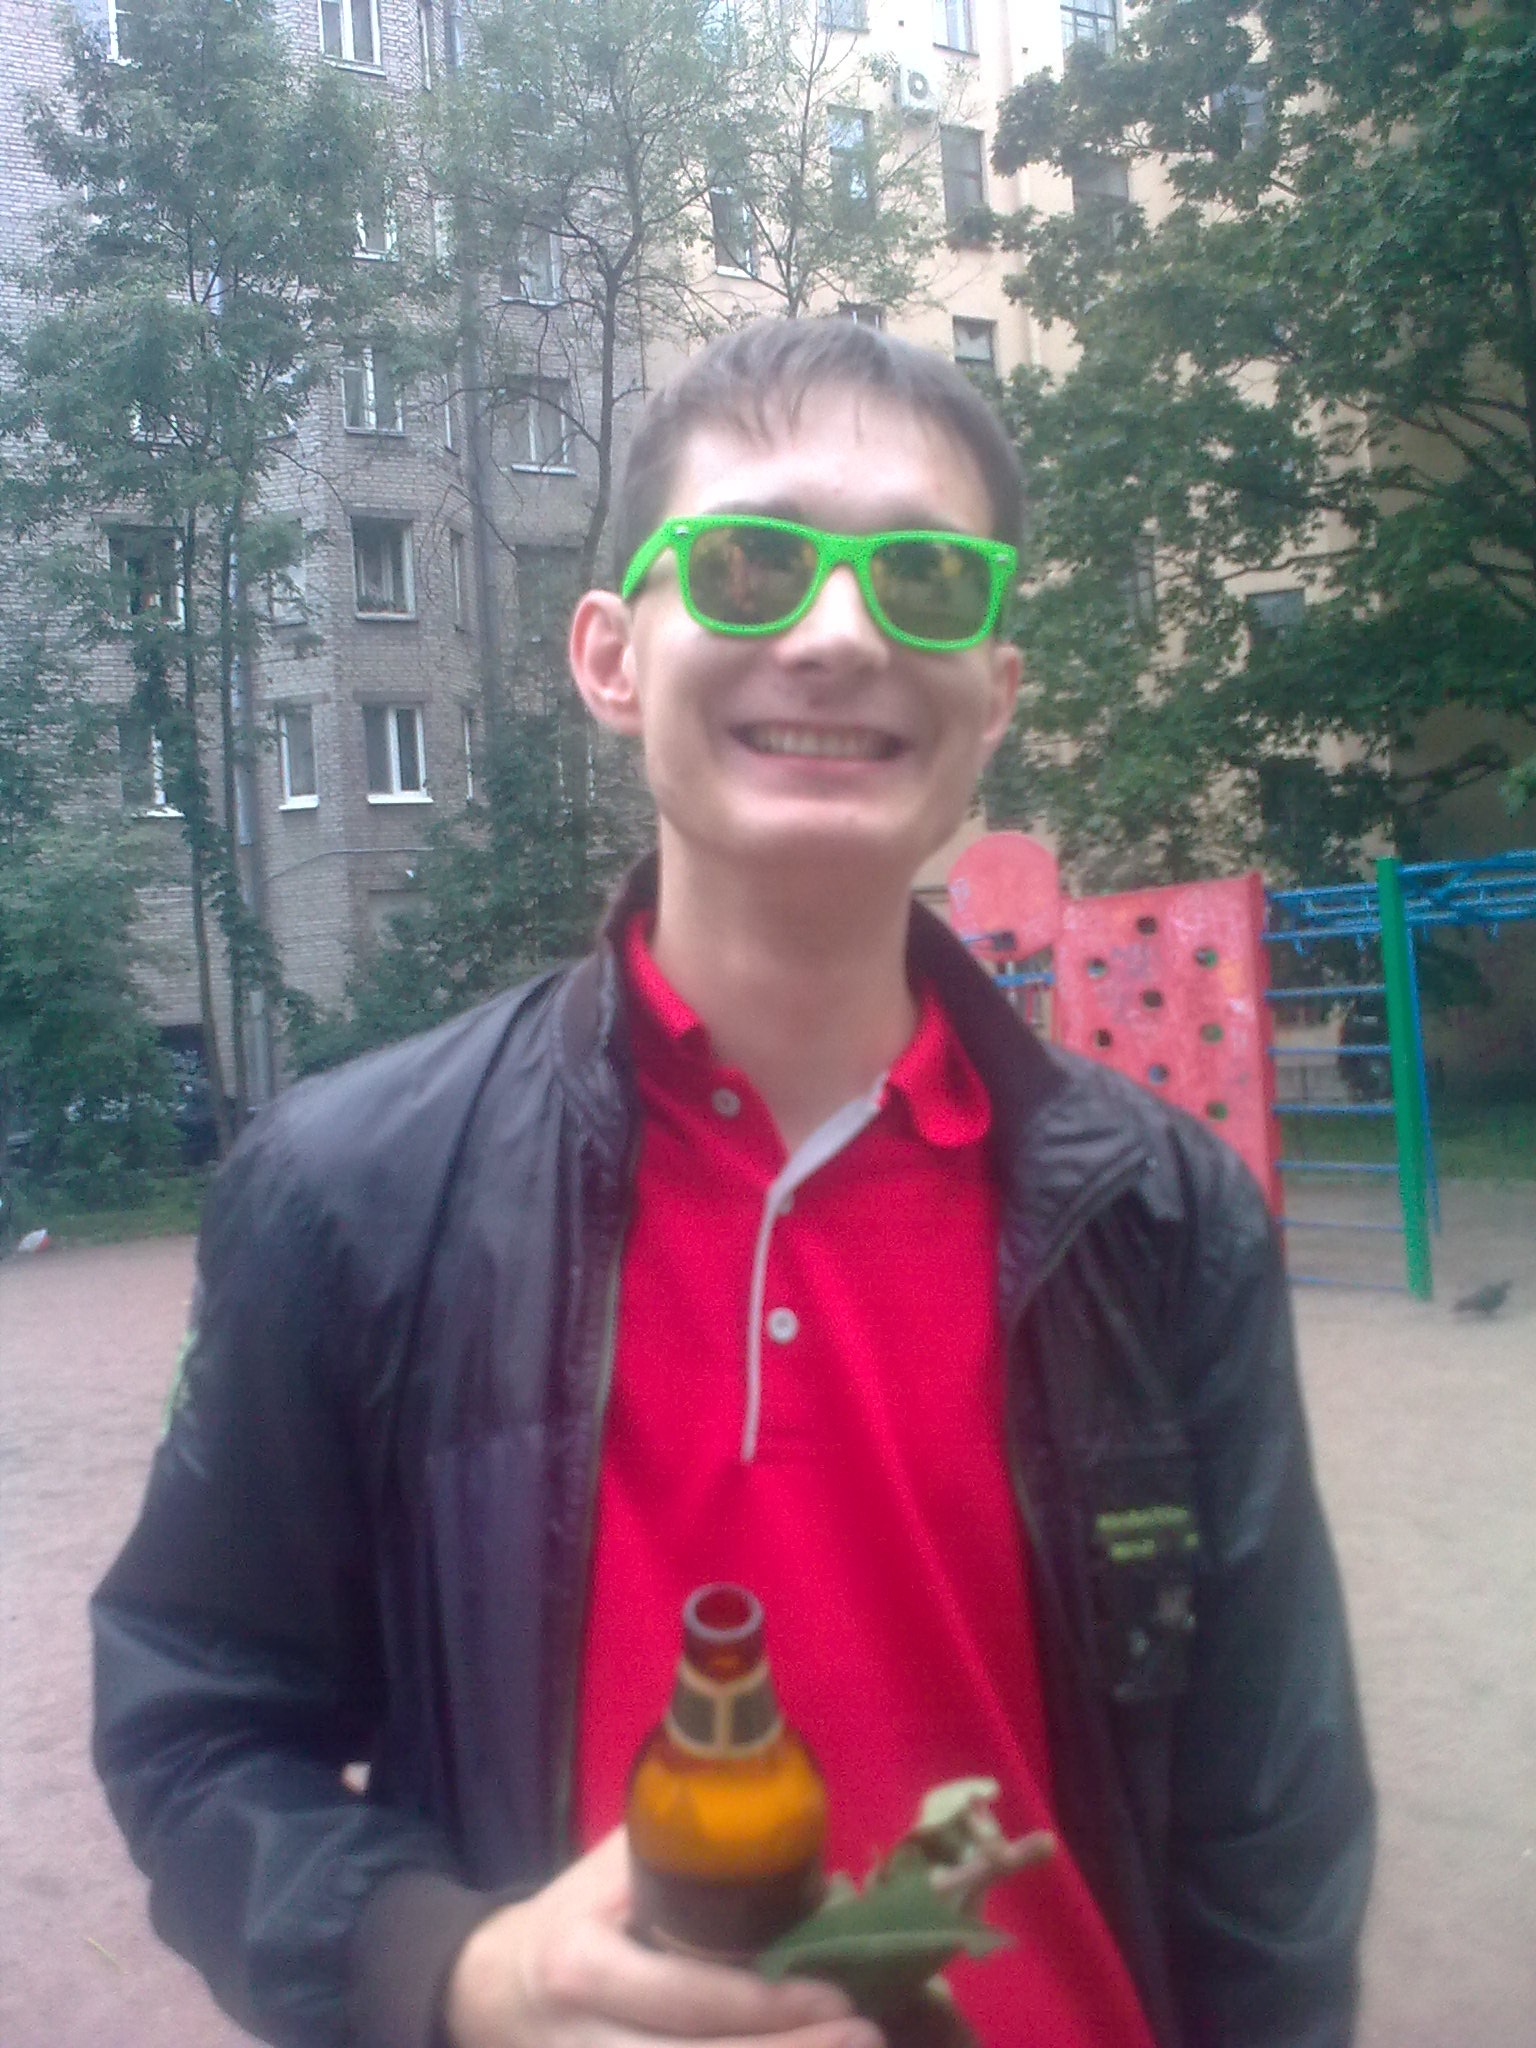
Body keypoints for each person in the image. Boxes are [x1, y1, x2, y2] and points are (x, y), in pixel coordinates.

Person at [92, 318, 1374, 2048]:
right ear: (612, 657)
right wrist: (454, 1973)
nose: (840, 632)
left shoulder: (1164, 1215)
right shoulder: (352, 1190)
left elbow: (1271, 1825)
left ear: (995, 693)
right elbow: (192, 1717)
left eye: (925, 578)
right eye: (755, 563)